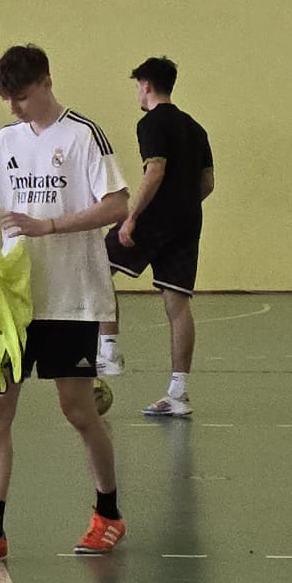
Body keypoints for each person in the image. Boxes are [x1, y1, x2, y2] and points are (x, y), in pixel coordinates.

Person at [0, 45, 130, 564]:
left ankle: (109, 513)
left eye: (21, 97)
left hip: (69, 297)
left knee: (78, 410)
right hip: (14, 300)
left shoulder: (83, 136)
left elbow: (117, 205)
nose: (14, 107)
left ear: (47, 82)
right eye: (7, 99)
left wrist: (47, 225)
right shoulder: (6, 139)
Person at [103, 57, 215, 416]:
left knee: (95, 265)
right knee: (177, 304)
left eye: (138, 85)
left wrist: (133, 217)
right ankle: (178, 395)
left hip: (154, 216)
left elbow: (155, 169)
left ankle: (108, 351)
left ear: (146, 85)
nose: (138, 92)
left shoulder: (151, 122)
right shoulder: (196, 128)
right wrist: (183, 206)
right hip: (189, 220)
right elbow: (208, 183)